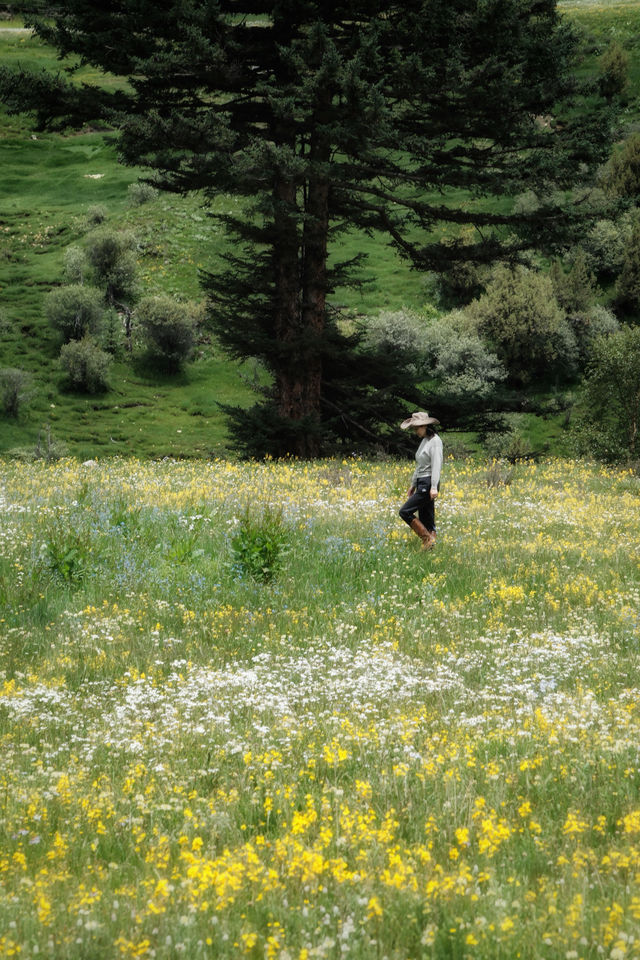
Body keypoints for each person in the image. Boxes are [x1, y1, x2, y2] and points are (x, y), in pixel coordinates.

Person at [398, 411, 443, 550]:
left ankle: (427, 539)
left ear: (425, 426)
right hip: (421, 482)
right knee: (426, 518)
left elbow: (436, 465)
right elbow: (420, 465)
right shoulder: (425, 441)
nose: (415, 431)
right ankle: (431, 548)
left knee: (405, 511)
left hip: (429, 482)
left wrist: (434, 486)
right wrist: (413, 484)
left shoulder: (435, 441)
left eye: (416, 428)